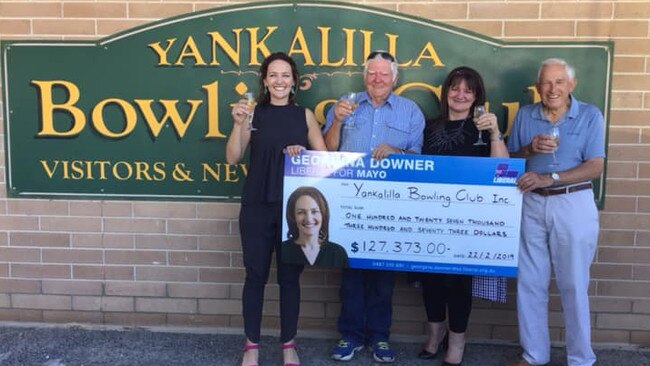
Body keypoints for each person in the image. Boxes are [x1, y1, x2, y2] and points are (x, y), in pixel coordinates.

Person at [226, 52, 327, 366]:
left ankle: (288, 347)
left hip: (293, 211)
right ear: (265, 80)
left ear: (294, 81)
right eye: (273, 75)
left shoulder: (305, 116)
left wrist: (303, 153)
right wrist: (237, 124)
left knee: (289, 280)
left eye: (285, 75)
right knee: (255, 277)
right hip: (256, 206)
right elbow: (232, 157)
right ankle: (251, 348)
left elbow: (325, 162)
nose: (279, 81)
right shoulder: (253, 114)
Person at [323, 50, 425, 363]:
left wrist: (396, 151)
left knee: (383, 276)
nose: (377, 79)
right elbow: (326, 149)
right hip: (350, 204)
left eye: (384, 74)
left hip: (391, 206)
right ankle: (350, 335)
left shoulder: (410, 111)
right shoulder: (345, 104)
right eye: (372, 73)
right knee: (351, 275)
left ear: (395, 78)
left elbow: (420, 160)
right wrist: (337, 121)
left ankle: (380, 337)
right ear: (364, 77)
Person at [505, 58, 605, 366]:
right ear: (538, 87)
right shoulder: (525, 115)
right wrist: (529, 149)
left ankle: (580, 359)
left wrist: (552, 177)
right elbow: (510, 157)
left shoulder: (589, 115)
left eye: (559, 82)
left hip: (572, 203)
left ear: (571, 85)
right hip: (532, 202)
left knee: (573, 284)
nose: (552, 89)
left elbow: (595, 166)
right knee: (530, 282)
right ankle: (534, 354)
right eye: (547, 83)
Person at [418, 66, 509, 366]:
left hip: (467, 221)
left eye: (468, 90)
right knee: (430, 280)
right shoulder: (429, 127)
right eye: (455, 88)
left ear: (477, 97)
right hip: (429, 219)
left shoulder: (484, 128)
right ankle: (434, 335)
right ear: (445, 93)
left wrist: (495, 133)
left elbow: (502, 170)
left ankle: (456, 342)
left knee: (458, 283)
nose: (460, 95)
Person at [282, 186, 349, 268]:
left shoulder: (338, 253)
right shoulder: (283, 250)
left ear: (323, 214)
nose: (309, 219)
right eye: (301, 212)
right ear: (293, 216)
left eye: (314, 212)